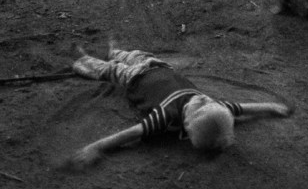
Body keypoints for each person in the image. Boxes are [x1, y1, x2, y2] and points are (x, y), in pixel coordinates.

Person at [65, 43, 292, 169]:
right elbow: (244, 108)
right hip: (161, 67)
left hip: (136, 78)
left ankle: (83, 63)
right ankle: (116, 51)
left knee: (112, 70)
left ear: (187, 124)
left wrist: (95, 147)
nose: (204, 98)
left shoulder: (167, 116)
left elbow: (129, 134)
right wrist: (271, 107)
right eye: (209, 100)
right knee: (135, 54)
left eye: (201, 104)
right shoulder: (215, 110)